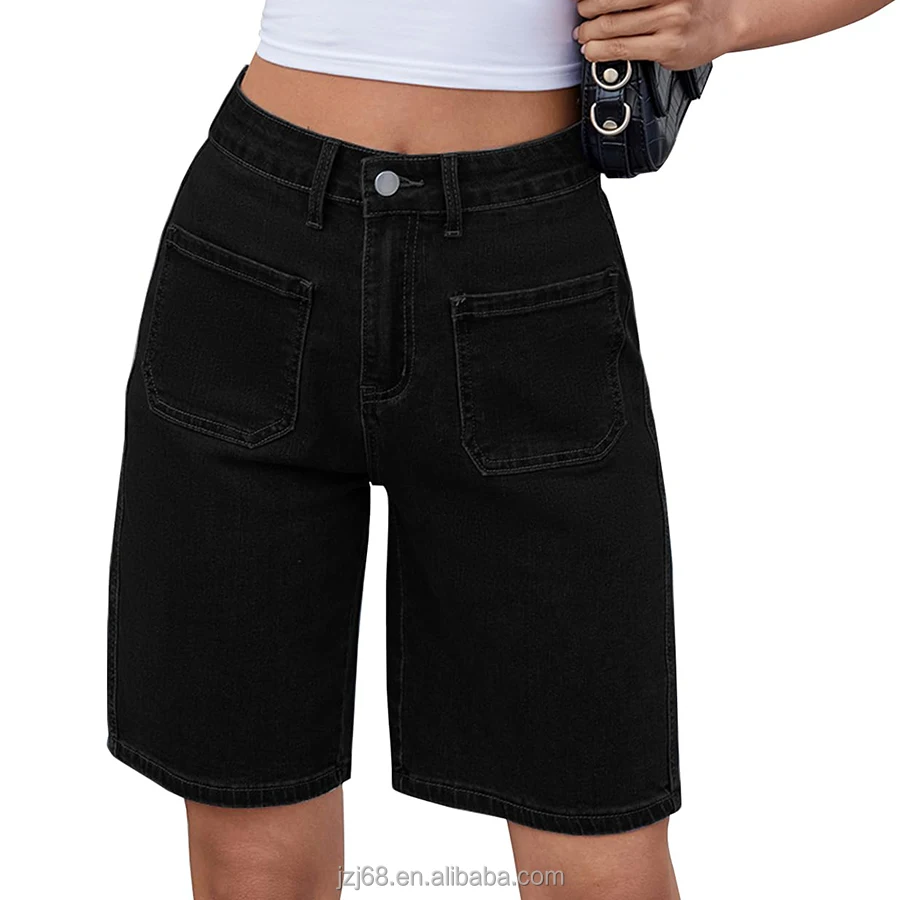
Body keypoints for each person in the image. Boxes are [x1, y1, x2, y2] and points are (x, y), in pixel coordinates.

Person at [106, 1, 894, 897]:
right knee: (249, 861)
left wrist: (731, 17)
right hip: (259, 241)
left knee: (598, 860)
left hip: (523, 262)